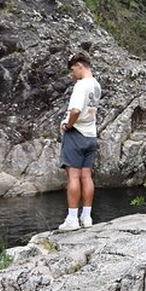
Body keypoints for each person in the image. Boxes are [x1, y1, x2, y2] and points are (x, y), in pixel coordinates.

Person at [58, 51, 102, 231]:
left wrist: (68, 125)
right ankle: (87, 216)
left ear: (79, 65)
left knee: (73, 177)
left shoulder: (81, 86)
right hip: (91, 135)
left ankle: (72, 219)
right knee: (87, 176)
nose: (72, 74)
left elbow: (75, 110)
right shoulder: (96, 85)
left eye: (72, 70)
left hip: (76, 135)